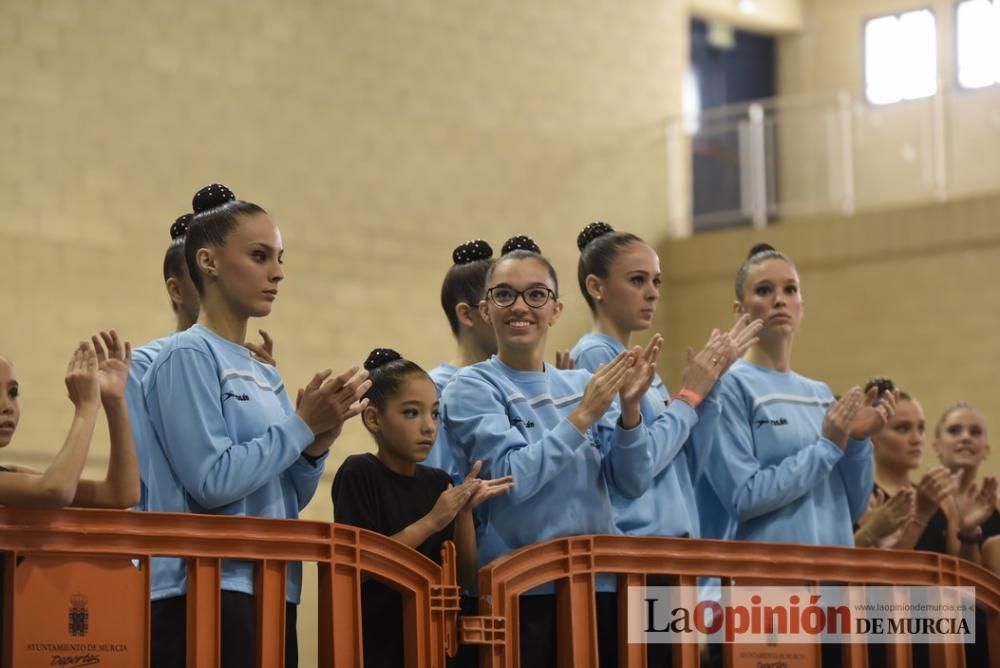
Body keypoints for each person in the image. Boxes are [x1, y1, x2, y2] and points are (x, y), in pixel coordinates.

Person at [142, 183, 370, 668]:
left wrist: (314, 447)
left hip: (271, 579)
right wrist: (299, 427)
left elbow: (285, 496)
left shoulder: (262, 368)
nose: (278, 273)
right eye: (260, 255)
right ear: (208, 262)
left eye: (280, 258)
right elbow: (211, 482)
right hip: (206, 585)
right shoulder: (187, 354)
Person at [442, 236, 675, 667]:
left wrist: (629, 413)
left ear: (556, 309)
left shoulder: (578, 386)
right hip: (523, 587)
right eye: (504, 295)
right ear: (486, 308)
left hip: (601, 584)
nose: (519, 307)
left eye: (536, 295)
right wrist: (583, 416)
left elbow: (631, 482)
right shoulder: (472, 387)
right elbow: (512, 481)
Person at [570, 221, 760, 541]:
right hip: (638, 545)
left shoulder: (639, 364)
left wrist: (708, 388)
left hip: (672, 545)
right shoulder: (594, 358)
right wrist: (687, 397)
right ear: (596, 286)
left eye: (656, 281)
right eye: (637, 280)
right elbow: (633, 473)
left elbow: (685, 468)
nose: (653, 293)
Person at [702, 244, 897, 547]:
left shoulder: (819, 394)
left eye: (790, 290)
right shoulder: (728, 386)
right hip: (766, 583)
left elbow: (854, 509)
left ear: (802, 305)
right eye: (764, 290)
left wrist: (857, 442)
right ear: (739, 309)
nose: (779, 300)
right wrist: (827, 448)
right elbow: (744, 497)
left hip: (831, 579)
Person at [333, 348, 512, 667]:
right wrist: (434, 519)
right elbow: (359, 569)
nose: (429, 427)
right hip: (380, 645)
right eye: (412, 413)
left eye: (434, 413)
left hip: (435, 643)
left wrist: (464, 514)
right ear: (374, 418)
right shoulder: (359, 472)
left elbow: (462, 578)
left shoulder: (437, 482)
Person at [0, 333, 139, 508]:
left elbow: (121, 494)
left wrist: (114, 400)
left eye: (12, 393)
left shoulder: (7, 473)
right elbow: (56, 490)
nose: (7, 406)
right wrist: (86, 406)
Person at [424, 239, 497, 482]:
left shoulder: (513, 382)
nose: (516, 311)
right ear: (466, 314)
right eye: (502, 299)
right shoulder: (433, 390)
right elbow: (434, 481)